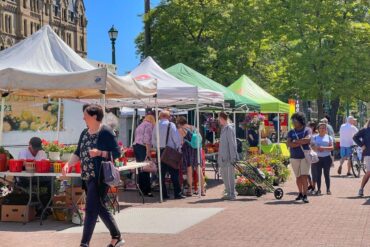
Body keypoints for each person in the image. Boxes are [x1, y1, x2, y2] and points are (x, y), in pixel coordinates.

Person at [62, 104, 124, 247]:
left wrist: (100, 153)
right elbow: (78, 152)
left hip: (101, 177)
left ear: (95, 116)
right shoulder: (84, 132)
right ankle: (117, 236)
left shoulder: (106, 132)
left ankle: (84, 244)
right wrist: (68, 164)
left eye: (86, 115)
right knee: (99, 206)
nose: (83, 117)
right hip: (87, 176)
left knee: (90, 209)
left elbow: (117, 153)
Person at [151, 110, 185, 200]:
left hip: (160, 151)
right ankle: (177, 193)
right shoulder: (171, 125)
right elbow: (176, 139)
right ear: (168, 116)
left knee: (161, 174)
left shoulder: (156, 126)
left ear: (160, 116)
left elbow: (153, 140)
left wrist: (157, 147)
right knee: (174, 173)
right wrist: (178, 148)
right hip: (170, 152)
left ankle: (164, 194)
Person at [177, 116, 205, 197]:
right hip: (196, 150)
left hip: (188, 151)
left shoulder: (181, 129)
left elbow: (181, 142)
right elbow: (200, 138)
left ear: (179, 123)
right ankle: (202, 190)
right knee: (199, 169)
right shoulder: (194, 127)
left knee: (189, 171)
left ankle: (189, 190)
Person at [287, 112, 311, 203]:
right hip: (294, 156)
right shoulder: (291, 132)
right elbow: (289, 144)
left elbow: (307, 140)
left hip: (305, 156)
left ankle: (305, 195)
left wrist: (295, 141)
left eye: (294, 121)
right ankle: (300, 193)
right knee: (298, 177)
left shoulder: (307, 130)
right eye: (292, 121)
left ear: (300, 121)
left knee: (304, 176)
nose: (293, 122)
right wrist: (301, 141)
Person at [133, 114, 155, 197]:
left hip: (136, 146)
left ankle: (141, 189)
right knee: (145, 168)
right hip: (142, 147)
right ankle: (147, 190)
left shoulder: (140, 125)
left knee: (141, 169)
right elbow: (146, 139)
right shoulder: (149, 125)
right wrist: (148, 151)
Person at [218, 112, 238, 200]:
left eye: (219, 119)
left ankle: (232, 193)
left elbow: (232, 143)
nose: (219, 121)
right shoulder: (224, 128)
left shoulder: (229, 128)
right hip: (223, 157)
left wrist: (233, 157)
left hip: (229, 157)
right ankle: (229, 192)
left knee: (230, 176)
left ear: (222, 119)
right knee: (224, 175)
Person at [311, 122, 334, 195]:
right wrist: (317, 148)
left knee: (326, 174)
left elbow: (332, 147)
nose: (322, 129)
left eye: (324, 128)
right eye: (321, 128)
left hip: (327, 158)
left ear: (326, 129)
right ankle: (319, 189)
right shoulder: (315, 137)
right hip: (318, 158)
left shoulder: (329, 137)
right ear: (318, 129)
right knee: (318, 174)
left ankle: (328, 189)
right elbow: (312, 146)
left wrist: (323, 148)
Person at [353, 119, 370, 197]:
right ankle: (361, 189)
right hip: (368, 154)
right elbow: (355, 137)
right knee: (369, 172)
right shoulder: (365, 130)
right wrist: (362, 145)